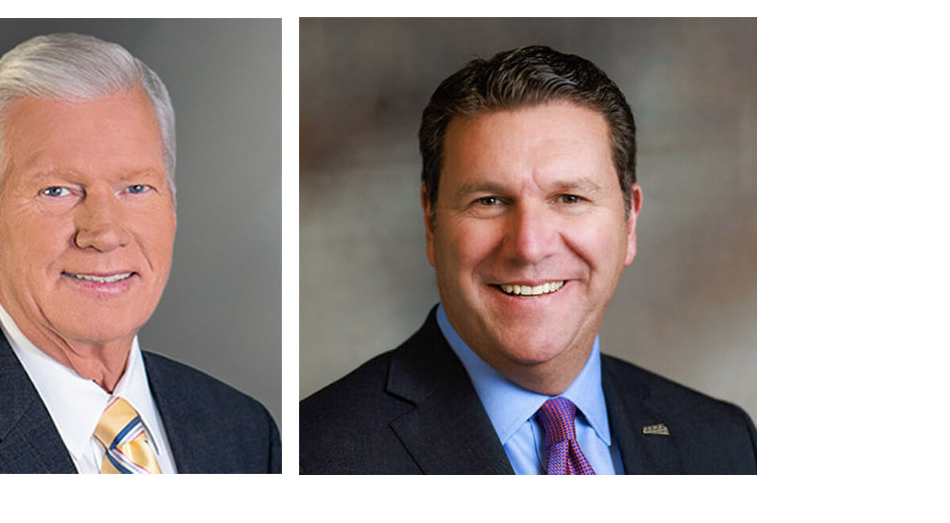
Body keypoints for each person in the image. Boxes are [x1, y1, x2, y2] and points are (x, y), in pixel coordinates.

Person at [0, 33, 279, 473]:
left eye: (136, 188)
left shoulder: (244, 432)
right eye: (58, 190)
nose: (103, 233)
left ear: (174, 207)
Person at [300, 45, 755, 474]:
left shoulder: (725, 443)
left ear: (629, 220)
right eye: (490, 200)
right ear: (431, 221)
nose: (529, 246)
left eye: (570, 197)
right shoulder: (317, 454)